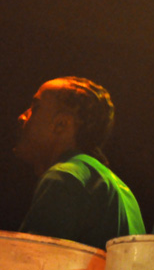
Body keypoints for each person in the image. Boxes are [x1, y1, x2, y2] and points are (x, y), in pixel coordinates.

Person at [13, 76, 146, 250]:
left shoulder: (65, 177)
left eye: (35, 108)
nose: (22, 117)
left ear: (61, 124)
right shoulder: (122, 190)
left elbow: (31, 259)